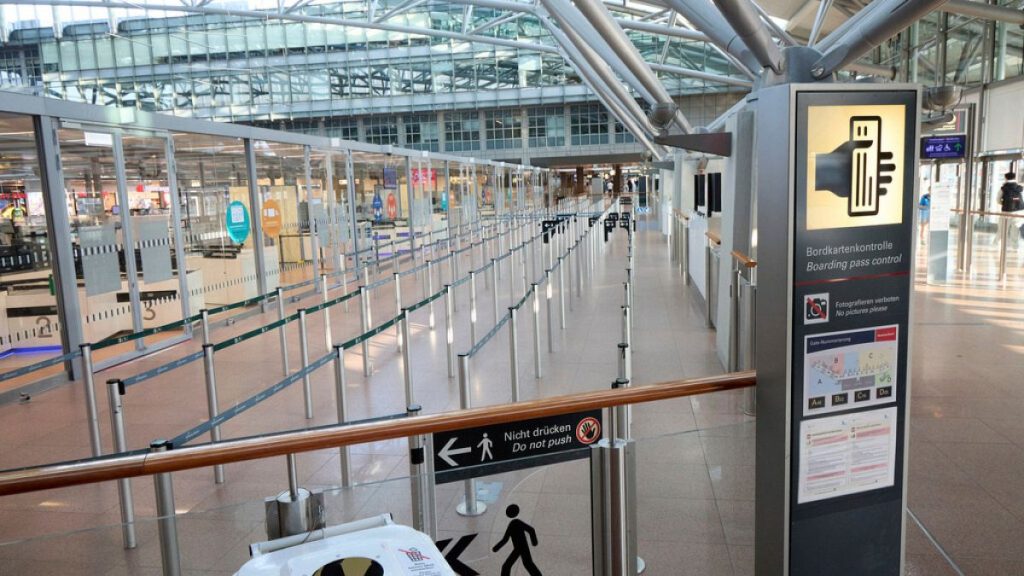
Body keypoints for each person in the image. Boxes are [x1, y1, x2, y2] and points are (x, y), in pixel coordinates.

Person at [493, 504, 541, 576]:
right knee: (527, 564)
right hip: (521, 548)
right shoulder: (517, 523)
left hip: (520, 548)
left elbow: (505, 539)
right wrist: (534, 542)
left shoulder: (513, 524)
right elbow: (531, 530)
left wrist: (496, 547)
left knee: (508, 566)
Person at [999, 172, 1023, 246]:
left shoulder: (1003, 188)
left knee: (1002, 229)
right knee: (1015, 230)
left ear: (1006, 178)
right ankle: (1015, 246)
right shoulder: (1020, 188)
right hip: (1019, 211)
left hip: (1006, 211)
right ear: (1014, 178)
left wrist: (1003, 204)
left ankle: (997, 244)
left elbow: (998, 199)